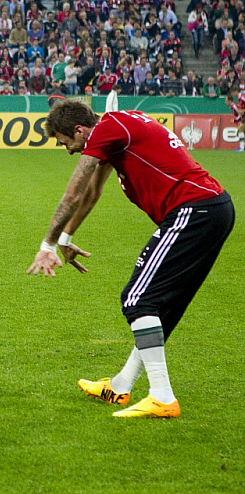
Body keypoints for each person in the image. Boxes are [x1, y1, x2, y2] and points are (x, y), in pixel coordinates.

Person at [27, 101, 235, 418]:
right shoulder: (116, 129)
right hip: (210, 209)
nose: (67, 150)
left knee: (137, 300)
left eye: (65, 142)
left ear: (79, 130)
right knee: (160, 309)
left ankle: (162, 397)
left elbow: (73, 192)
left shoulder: (108, 130)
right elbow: (92, 194)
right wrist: (66, 238)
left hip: (194, 211)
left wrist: (48, 244)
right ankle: (120, 386)